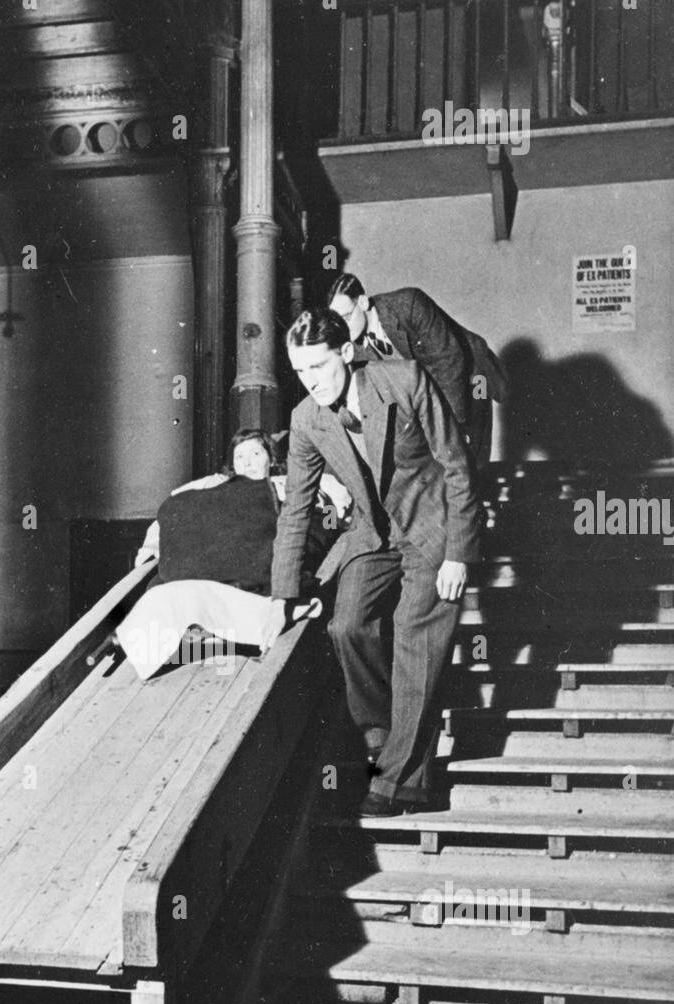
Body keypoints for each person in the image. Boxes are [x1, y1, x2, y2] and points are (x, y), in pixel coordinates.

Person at [261, 307, 484, 816]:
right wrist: (281, 597)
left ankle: (396, 779)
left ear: (345, 352)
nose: (309, 381)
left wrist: (459, 553)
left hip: (432, 524)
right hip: (372, 533)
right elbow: (296, 509)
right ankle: (384, 737)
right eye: (299, 371)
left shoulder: (401, 379)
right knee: (346, 627)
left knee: (413, 632)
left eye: (317, 367)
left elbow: (457, 464)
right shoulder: (305, 420)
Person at [327, 272, 507, 469]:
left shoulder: (408, 304)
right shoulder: (354, 347)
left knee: (468, 463)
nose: (342, 329)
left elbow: (449, 362)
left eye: (345, 318)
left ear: (362, 302)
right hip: (432, 391)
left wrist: (453, 429)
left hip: (470, 377)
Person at [134, 428, 351, 567]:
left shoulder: (290, 481)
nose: (246, 463)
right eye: (239, 457)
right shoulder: (216, 482)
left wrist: (335, 524)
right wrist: (151, 548)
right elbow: (173, 507)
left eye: (255, 454)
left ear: (272, 460)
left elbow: (331, 504)